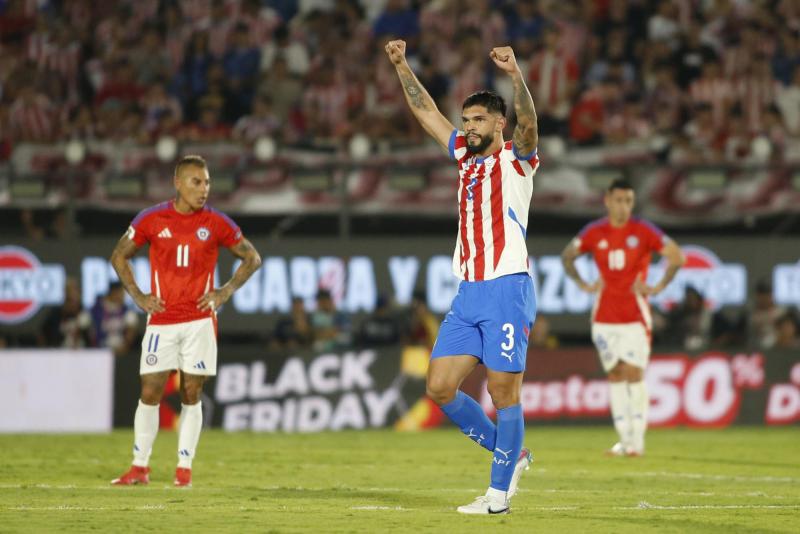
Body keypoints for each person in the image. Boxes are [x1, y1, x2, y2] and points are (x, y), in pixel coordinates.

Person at [386, 39, 539, 515]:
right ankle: (512, 455)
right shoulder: (462, 156)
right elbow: (425, 111)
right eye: (466, 120)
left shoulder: (517, 160)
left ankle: (498, 497)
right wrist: (401, 65)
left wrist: (515, 76)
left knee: (503, 392)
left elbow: (530, 125)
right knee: (439, 386)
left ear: (498, 124)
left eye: (478, 120)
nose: (469, 127)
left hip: (507, 288)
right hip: (469, 292)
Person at [109, 155, 261, 487]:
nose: (204, 189)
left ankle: (184, 469)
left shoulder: (217, 222)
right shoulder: (151, 218)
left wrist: (225, 291)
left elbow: (252, 257)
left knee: (191, 392)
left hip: (199, 321)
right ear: (177, 183)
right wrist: (138, 296)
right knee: (150, 391)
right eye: (196, 182)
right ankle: (139, 467)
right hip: (161, 320)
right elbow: (119, 255)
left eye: (207, 182)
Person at [561, 178, 685, 457]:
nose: (623, 206)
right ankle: (623, 439)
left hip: (634, 316)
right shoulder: (595, 232)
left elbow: (677, 256)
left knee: (633, 373)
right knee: (615, 374)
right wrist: (583, 284)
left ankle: (636, 442)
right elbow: (568, 256)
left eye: (628, 201)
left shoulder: (643, 230)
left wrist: (657, 287)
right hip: (603, 317)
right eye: (618, 200)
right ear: (607, 201)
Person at [90, 281, 139, 357]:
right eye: (121, 293)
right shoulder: (97, 309)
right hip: (100, 350)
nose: (123, 296)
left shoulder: (127, 311)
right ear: (113, 292)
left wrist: (124, 347)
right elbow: (92, 332)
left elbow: (130, 334)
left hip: (121, 351)